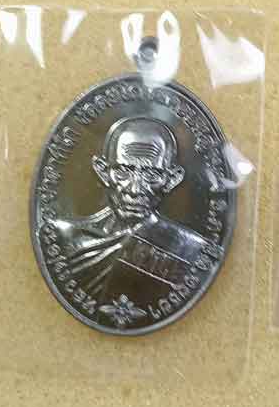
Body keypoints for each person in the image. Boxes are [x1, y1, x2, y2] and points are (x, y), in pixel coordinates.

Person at [47, 116, 215, 310]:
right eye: (123, 171)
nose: (135, 189)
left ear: (172, 179)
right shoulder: (65, 237)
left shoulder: (192, 251)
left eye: (151, 175)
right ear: (103, 171)